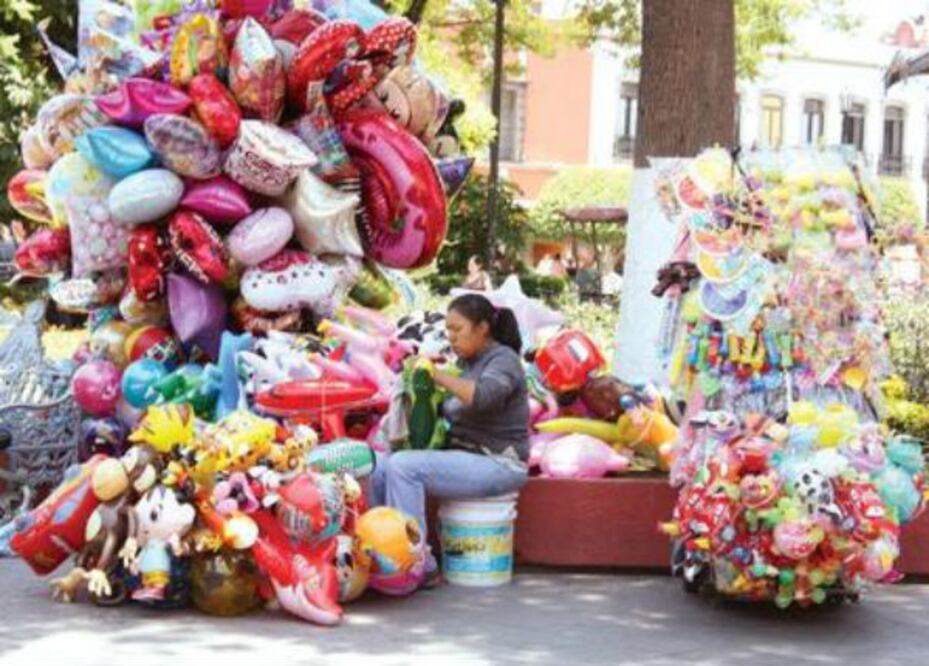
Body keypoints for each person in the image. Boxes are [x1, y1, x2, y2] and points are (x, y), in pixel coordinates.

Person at [370, 293, 530, 582]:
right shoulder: (466, 364)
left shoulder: (503, 360)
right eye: (448, 331)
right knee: (380, 465)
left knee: (404, 467)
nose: (452, 337)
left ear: (482, 328)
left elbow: (483, 397)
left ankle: (418, 562)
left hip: (499, 463)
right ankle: (381, 553)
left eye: (458, 329)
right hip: (467, 458)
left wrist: (438, 375)